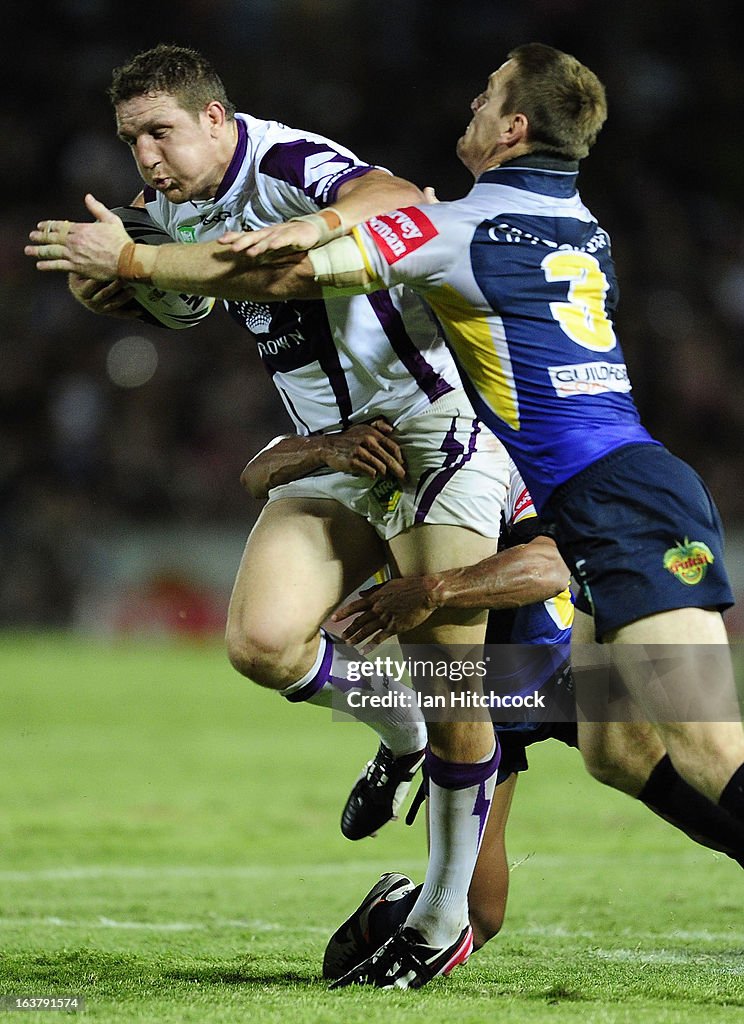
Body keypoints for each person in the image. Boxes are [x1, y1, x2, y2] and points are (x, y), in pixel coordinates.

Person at [26, 42, 744, 988]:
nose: (471, 102)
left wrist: (139, 257)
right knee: (618, 750)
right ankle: (420, 769)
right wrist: (155, 282)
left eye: (486, 95)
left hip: (565, 506)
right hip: (586, 516)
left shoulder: (448, 222)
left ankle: (443, 911)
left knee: (700, 745)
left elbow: (352, 236)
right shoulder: (567, 215)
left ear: (513, 129)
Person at [26, 44, 518, 986]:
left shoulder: (285, 162)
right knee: (262, 644)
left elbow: (403, 198)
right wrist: (125, 294)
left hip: (427, 432)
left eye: (160, 132)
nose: (146, 158)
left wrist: (314, 227)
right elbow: (186, 297)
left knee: (463, 689)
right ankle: (401, 736)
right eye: (131, 140)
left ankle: (443, 918)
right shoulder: (173, 212)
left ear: (216, 119)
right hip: (332, 453)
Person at [246, 429, 744, 984]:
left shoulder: (478, 445)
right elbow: (258, 471)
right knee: (479, 915)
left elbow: (551, 565)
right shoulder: (357, 440)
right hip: (472, 696)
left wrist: (437, 589)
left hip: (556, 668)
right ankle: (386, 911)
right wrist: (321, 449)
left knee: (662, 763)